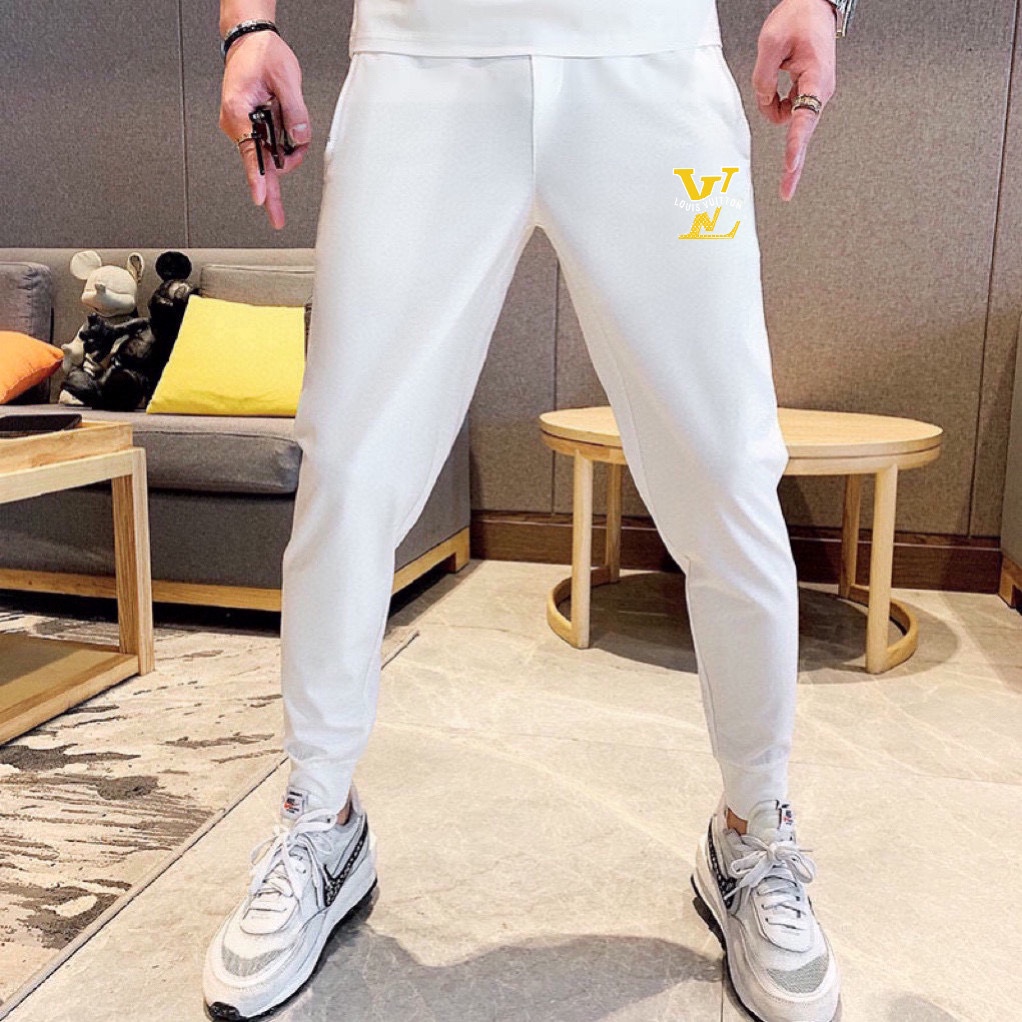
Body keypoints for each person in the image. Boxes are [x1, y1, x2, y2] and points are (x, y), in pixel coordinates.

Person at [204, 0, 857, 1019]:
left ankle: (752, 831)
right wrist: (247, 25)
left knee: (728, 465)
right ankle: (318, 817)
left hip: (650, 61)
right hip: (422, 64)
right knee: (349, 462)